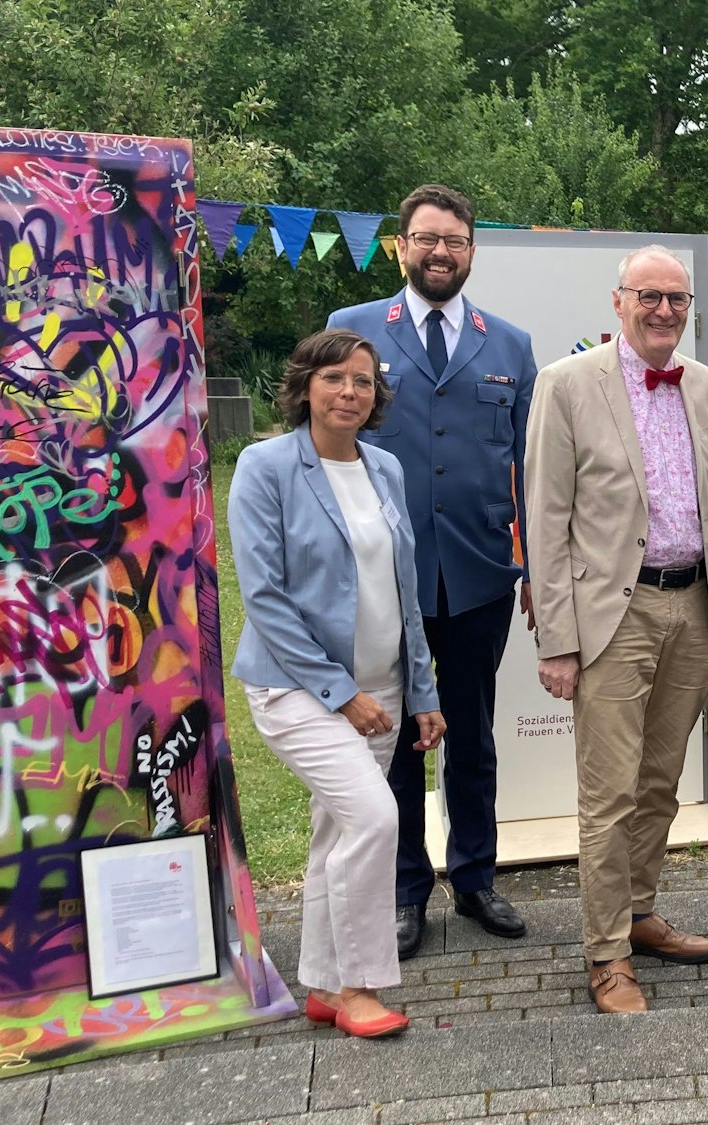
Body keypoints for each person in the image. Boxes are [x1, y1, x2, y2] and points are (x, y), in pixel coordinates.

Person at [327, 184, 538, 959]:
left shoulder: (510, 344)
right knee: (396, 738)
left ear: (472, 250)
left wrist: (535, 570)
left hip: (480, 575)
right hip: (382, 579)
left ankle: (476, 875)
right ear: (401, 246)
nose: (440, 251)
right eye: (426, 238)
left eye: (454, 239)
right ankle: (405, 889)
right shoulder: (350, 332)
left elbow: (530, 469)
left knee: (472, 735)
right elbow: (322, 454)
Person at [229, 329, 448, 1039]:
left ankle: (321, 983)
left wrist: (422, 691)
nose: (349, 392)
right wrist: (337, 691)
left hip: (381, 688)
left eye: (362, 380)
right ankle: (360, 983)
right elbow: (264, 597)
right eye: (334, 379)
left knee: (336, 833)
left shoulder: (384, 468)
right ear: (305, 386)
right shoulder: (264, 467)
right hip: (296, 688)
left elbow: (403, 588)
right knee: (375, 819)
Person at [526, 245, 708, 1014]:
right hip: (613, 614)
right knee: (607, 794)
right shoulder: (566, 385)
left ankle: (639, 910)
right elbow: (545, 519)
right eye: (650, 296)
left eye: (677, 299)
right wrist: (557, 639)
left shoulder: (701, 384)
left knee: (660, 783)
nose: (665, 310)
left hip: (692, 607)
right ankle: (605, 953)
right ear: (618, 302)